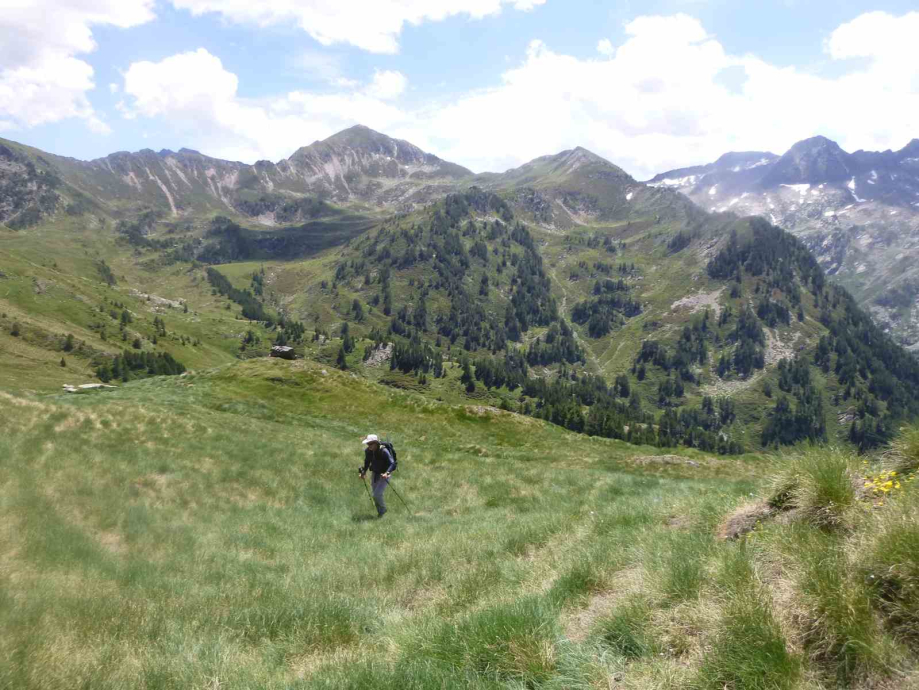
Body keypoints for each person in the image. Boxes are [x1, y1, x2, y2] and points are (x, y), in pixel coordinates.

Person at [360, 434, 395, 517]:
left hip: (384, 474)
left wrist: (387, 473)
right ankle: (380, 513)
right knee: (375, 495)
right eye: (368, 444)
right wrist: (363, 472)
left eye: (370, 444)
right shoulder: (368, 451)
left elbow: (392, 463)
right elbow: (367, 462)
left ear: (376, 443)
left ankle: (383, 510)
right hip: (375, 473)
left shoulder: (384, 451)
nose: (369, 446)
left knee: (376, 494)